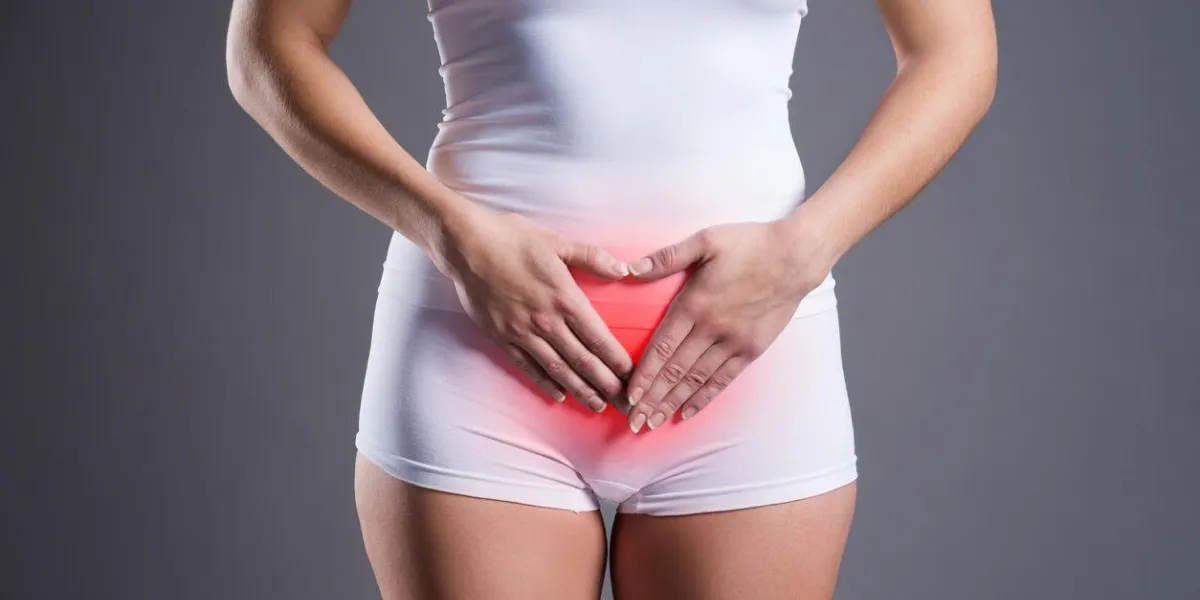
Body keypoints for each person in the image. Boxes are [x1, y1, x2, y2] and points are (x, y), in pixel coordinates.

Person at [226, 0, 996, 597]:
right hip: (483, 359)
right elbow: (268, 48)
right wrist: (448, 230)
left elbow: (955, 50)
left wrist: (805, 250)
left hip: (749, 365)